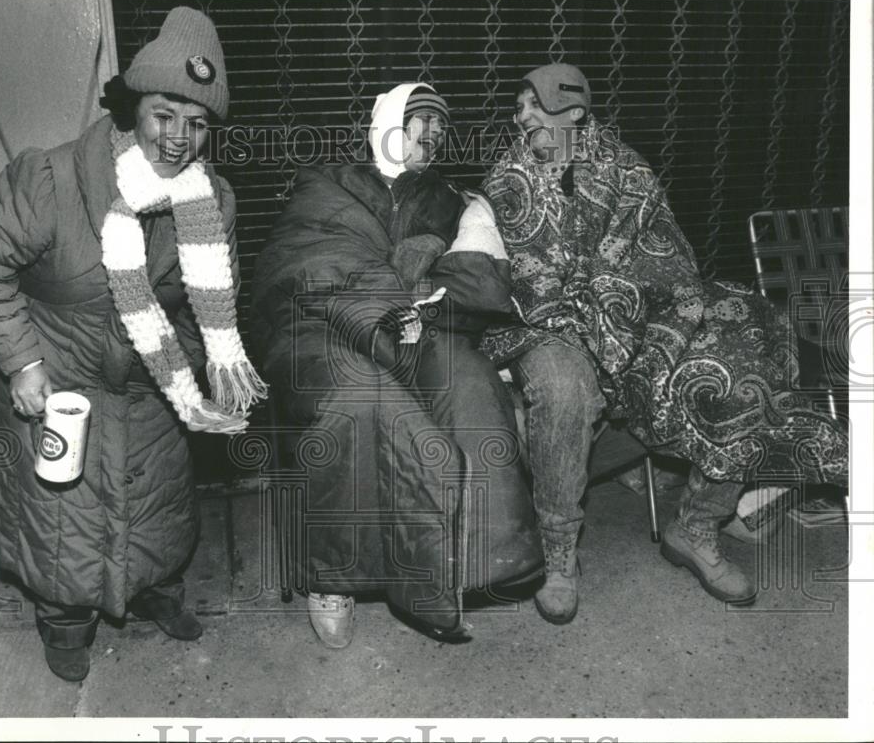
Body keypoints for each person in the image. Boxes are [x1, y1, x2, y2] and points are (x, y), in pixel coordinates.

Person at [0, 7, 265, 681]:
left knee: (157, 504)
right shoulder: (49, 180)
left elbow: (209, 298)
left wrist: (195, 372)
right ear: (130, 107)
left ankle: (155, 589)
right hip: (58, 379)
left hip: (150, 383)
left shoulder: (213, 202)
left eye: (198, 122)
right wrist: (21, 361)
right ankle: (64, 622)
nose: (179, 138)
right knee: (62, 522)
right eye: (164, 113)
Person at [476, 63, 848, 624]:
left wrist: (624, 303)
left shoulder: (627, 169)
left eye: (534, 103)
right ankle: (557, 552)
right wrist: (589, 313)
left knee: (742, 356)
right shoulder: (508, 178)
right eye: (519, 104)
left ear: (574, 111)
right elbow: (529, 275)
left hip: (640, 314)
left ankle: (696, 524)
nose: (519, 114)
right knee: (563, 385)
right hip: (546, 320)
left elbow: (667, 253)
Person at [250, 83, 543, 648]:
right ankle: (331, 577)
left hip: (411, 325)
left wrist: (419, 292)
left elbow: (484, 282)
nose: (432, 133)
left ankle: (476, 555)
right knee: (354, 400)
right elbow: (308, 262)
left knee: (470, 381)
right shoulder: (328, 182)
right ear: (387, 122)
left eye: (440, 125)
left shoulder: (451, 200)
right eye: (419, 120)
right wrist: (393, 293)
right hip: (318, 325)